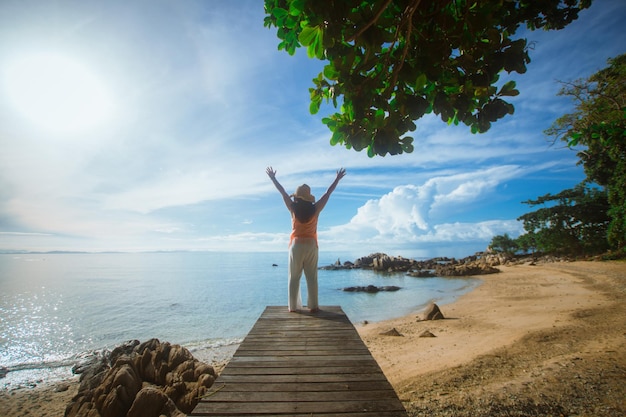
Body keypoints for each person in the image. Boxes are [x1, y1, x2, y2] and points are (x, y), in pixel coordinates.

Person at [266, 166, 346, 313]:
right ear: (309, 198)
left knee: (294, 277)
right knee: (312, 277)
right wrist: (337, 179)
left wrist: (273, 178)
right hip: (311, 244)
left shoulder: (292, 208)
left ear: (296, 197)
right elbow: (328, 193)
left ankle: (293, 307)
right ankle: (313, 306)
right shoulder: (316, 208)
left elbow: (283, 193)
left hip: (296, 244)